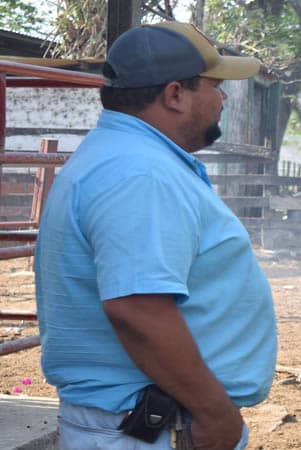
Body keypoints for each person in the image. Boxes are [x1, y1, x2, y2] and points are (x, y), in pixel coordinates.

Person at [34, 21, 277, 450]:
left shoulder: (126, 159)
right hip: (150, 429)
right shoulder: (138, 173)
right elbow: (138, 308)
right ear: (175, 94)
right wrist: (215, 413)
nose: (222, 99)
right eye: (215, 86)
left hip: (146, 422)